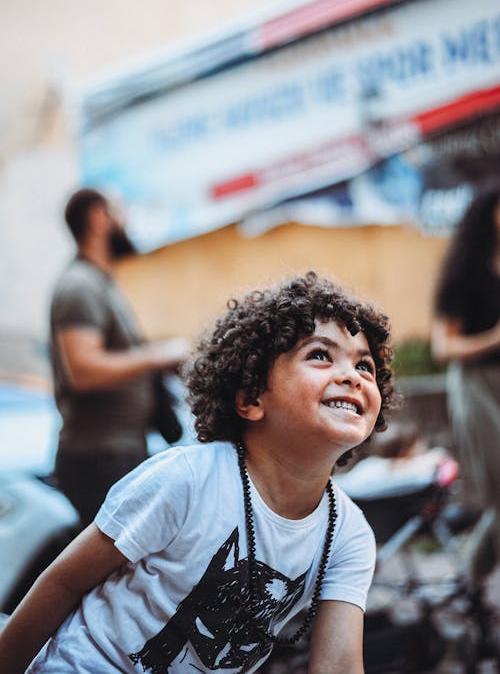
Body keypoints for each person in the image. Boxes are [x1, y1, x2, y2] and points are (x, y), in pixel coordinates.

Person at [0, 271, 393, 674]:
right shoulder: (187, 480)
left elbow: (340, 665)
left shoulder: (348, 535)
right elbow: (64, 581)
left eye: (365, 366)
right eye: (320, 355)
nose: (352, 376)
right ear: (250, 398)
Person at [49, 187, 190, 526]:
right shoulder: (79, 286)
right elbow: (83, 370)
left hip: (118, 453)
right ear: (99, 218)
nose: (126, 222)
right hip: (99, 458)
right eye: (120, 211)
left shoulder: (99, 283)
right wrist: (158, 355)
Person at [431, 184, 500, 581]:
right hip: (479, 387)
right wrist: (494, 337)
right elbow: (443, 346)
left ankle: (466, 582)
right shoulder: (465, 274)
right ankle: (468, 579)